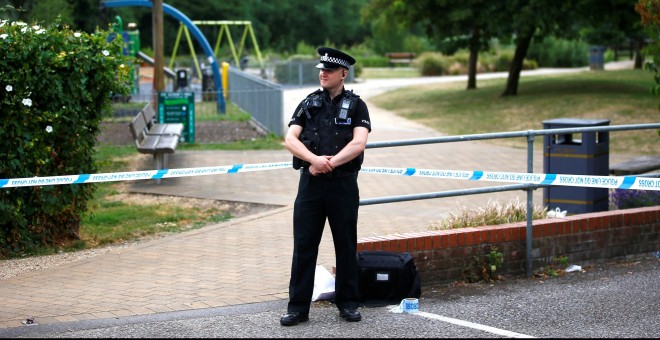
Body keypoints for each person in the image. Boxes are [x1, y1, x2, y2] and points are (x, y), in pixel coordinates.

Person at [280, 47, 371, 326]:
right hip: (311, 186)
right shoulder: (308, 103)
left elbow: (358, 143)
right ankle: (297, 308)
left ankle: (348, 304)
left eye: (329, 71)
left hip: (342, 185)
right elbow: (290, 139)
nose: (323, 73)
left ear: (343, 74)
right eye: (321, 69)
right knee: (304, 245)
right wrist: (313, 160)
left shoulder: (357, 106)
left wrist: (328, 163)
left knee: (345, 245)